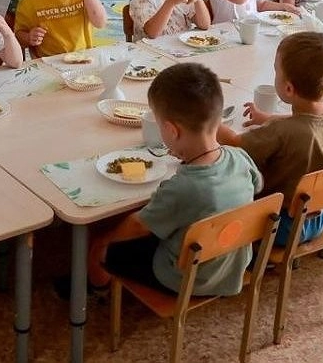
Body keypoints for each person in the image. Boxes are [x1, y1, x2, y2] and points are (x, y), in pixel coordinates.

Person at [83, 63, 262, 296]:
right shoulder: (240, 158)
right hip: (231, 265)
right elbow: (258, 185)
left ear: (171, 130)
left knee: (100, 243)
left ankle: (94, 291)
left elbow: (137, 226)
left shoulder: (183, 188)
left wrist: (108, 238)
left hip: (185, 277)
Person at [217, 32, 323, 246]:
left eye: (276, 70)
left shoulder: (282, 132)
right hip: (321, 215)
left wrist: (208, 121)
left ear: (288, 88)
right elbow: (306, 122)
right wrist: (268, 117)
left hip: (281, 225)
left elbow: (235, 143)